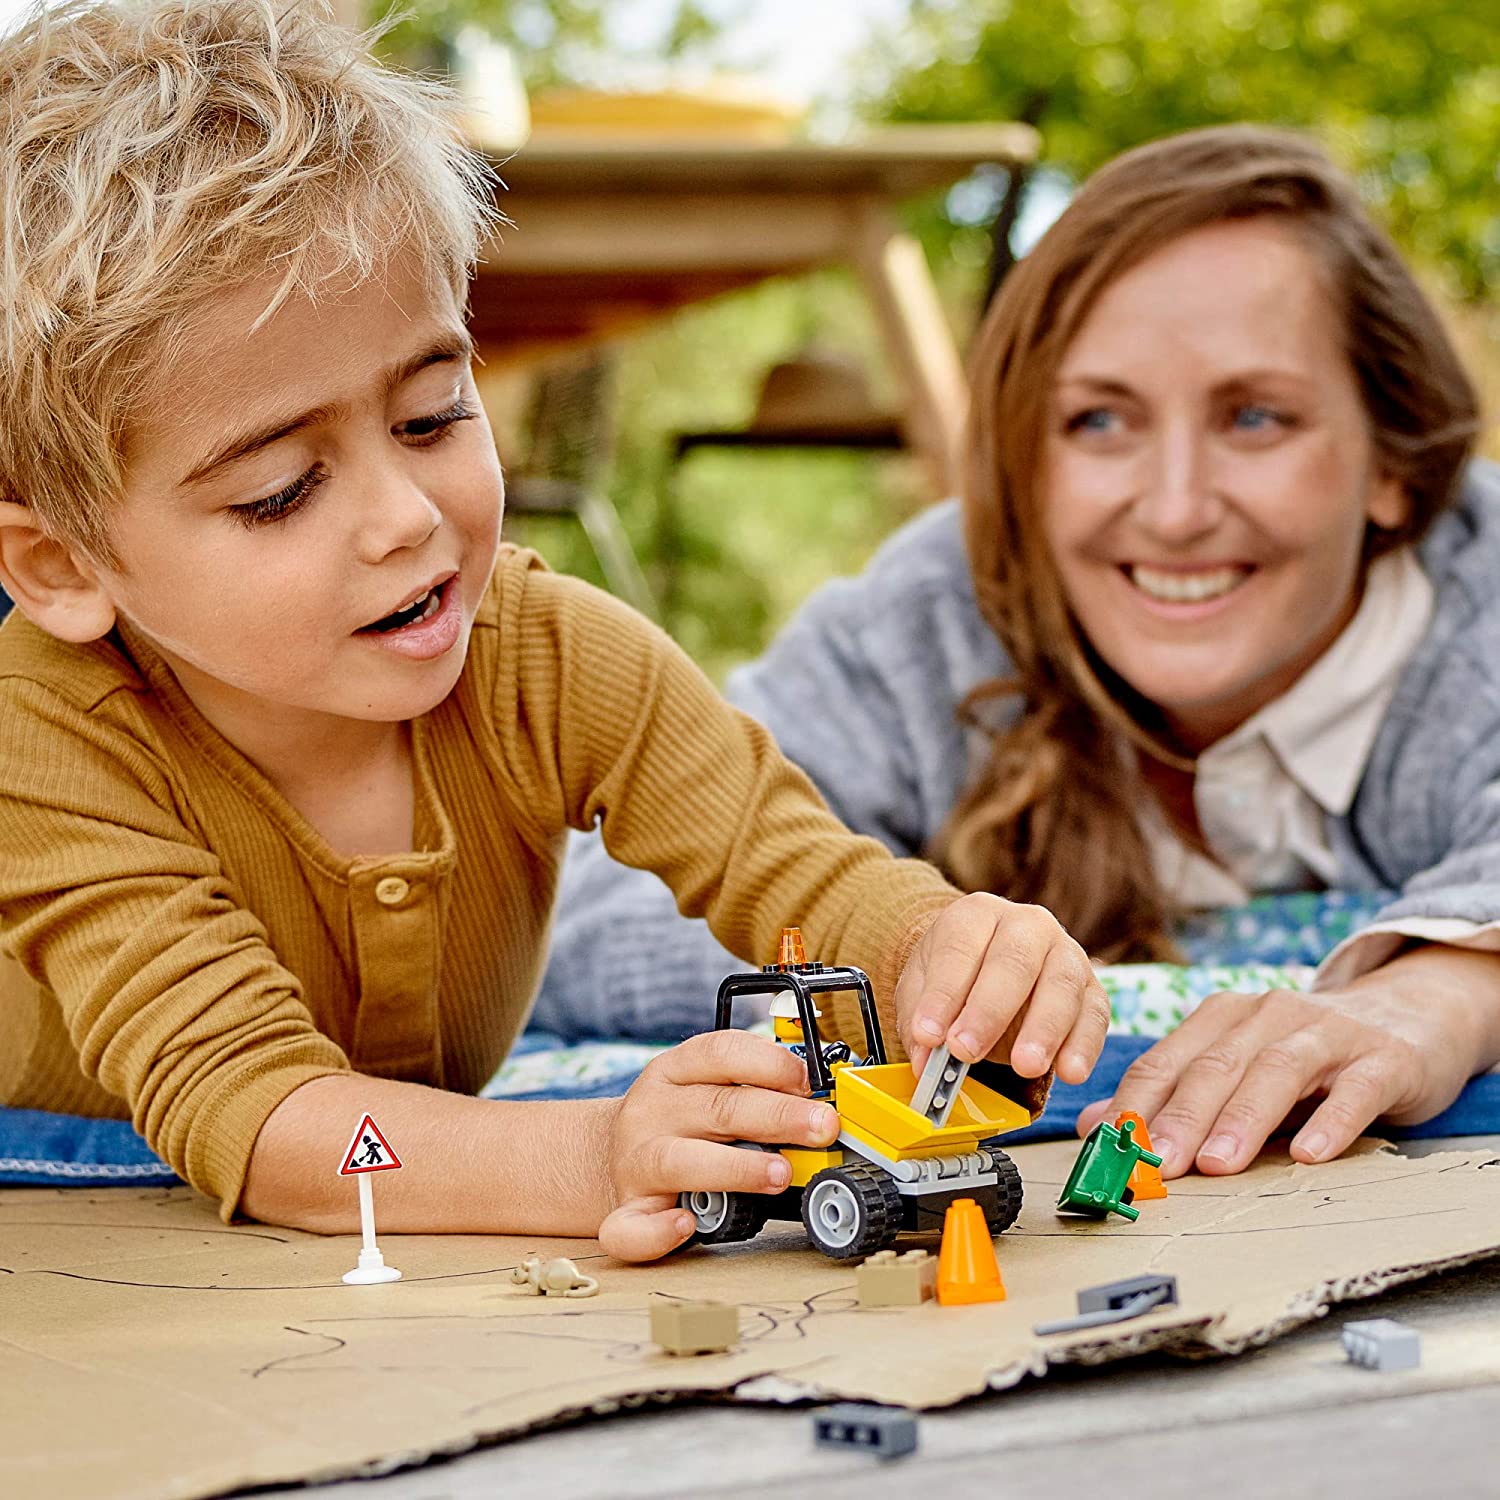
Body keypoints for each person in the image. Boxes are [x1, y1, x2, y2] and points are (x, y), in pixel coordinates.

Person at [0, 0, 1108, 1263]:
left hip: (392, 1187)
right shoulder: (41, 741)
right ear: (62, 565)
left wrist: (942, 947)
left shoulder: (550, 656)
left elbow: (799, 870)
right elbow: (257, 1116)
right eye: (280, 492)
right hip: (70, 1191)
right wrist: (590, 1152)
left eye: (430, 415)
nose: (406, 520)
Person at [539, 123, 1500, 1183]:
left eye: (1257, 417)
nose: (1175, 509)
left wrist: (1442, 995)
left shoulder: (1476, 598)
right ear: (1025, 463)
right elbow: (596, 898)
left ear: (1395, 463)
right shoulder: (931, 619)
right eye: (1098, 422)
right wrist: (914, 953)